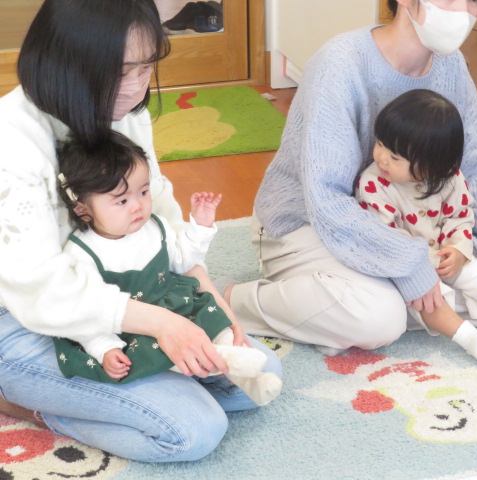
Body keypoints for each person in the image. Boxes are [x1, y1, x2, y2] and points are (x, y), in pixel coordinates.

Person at [0, 0, 281, 462]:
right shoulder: (13, 140)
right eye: (119, 71)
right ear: (67, 63)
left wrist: (210, 299)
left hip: (128, 292)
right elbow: (41, 291)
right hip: (28, 321)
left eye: (145, 68)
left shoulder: (123, 109)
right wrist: (165, 325)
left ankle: (140, 389)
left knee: (257, 375)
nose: (135, 88)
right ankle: (29, 403)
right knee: (193, 431)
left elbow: (158, 215)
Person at [222, 0, 477, 355]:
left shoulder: (452, 65)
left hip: (416, 223)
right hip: (309, 221)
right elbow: (326, 199)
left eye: (474, 1)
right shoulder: (339, 63)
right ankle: (231, 300)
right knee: (378, 317)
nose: (465, 10)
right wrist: (407, 263)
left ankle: (373, 308)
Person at [54, 131, 282, 405]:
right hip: (134, 331)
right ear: (82, 209)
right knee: (156, 353)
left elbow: (182, 261)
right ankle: (223, 362)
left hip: (176, 305)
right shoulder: (81, 254)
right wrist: (104, 348)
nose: (138, 206)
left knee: (213, 318)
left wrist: (200, 227)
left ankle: (247, 375)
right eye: (122, 201)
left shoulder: (155, 226)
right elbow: (84, 315)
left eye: (143, 192)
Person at [355, 89, 477, 362]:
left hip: (446, 257)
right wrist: (422, 265)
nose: (382, 158)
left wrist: (458, 251)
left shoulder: (450, 178)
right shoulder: (374, 183)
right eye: (380, 144)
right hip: (407, 267)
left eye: (395, 157)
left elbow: (459, 216)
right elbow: (383, 235)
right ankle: (470, 338)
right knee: (430, 299)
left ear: (433, 165)